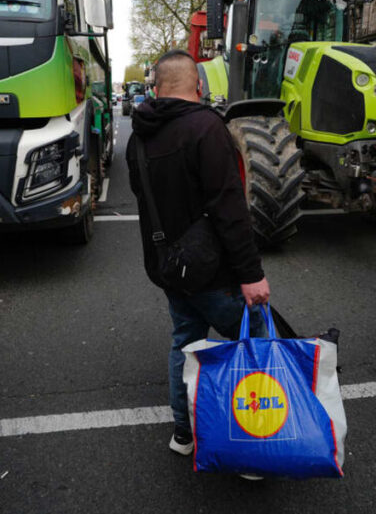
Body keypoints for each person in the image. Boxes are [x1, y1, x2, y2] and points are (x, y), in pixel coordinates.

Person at [127, 49, 271, 456]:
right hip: (213, 270)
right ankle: (253, 440)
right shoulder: (207, 127)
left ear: (156, 87)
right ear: (199, 85)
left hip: (169, 266)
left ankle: (183, 434)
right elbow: (230, 208)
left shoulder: (139, 135)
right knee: (253, 343)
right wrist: (251, 273)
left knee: (185, 341)